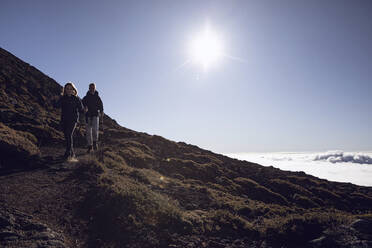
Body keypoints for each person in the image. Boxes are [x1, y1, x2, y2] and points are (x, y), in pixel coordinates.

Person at [54, 82, 84, 159]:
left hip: (73, 119)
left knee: (68, 134)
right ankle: (72, 153)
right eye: (67, 89)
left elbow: (81, 109)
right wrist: (55, 100)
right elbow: (56, 106)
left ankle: (68, 153)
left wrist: (85, 110)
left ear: (73, 90)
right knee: (67, 136)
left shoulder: (76, 99)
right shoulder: (62, 98)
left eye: (70, 89)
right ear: (65, 90)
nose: (69, 90)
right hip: (64, 119)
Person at [82, 83, 104, 153]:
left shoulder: (97, 97)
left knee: (95, 130)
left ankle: (95, 143)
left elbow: (101, 105)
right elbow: (82, 104)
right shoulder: (86, 97)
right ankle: (89, 146)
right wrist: (84, 109)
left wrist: (101, 112)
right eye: (91, 87)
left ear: (95, 88)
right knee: (88, 132)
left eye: (93, 87)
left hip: (95, 115)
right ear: (89, 88)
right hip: (88, 116)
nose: (92, 88)